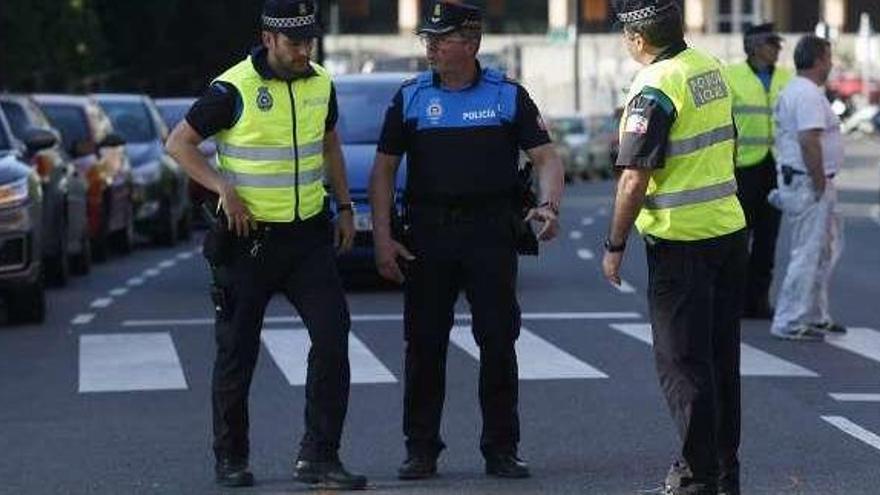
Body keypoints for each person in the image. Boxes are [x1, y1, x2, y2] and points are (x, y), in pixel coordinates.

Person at [165, 0, 366, 489]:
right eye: (295, 42)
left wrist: (344, 206)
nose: (304, 51)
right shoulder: (233, 87)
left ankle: (319, 456)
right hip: (247, 242)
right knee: (237, 353)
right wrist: (222, 188)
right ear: (269, 38)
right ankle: (231, 459)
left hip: (307, 239)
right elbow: (179, 144)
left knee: (334, 337)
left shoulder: (320, 81)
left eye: (310, 41)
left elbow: (329, 143)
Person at [368, 0, 564, 481]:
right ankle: (421, 449)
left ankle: (501, 449)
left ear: (472, 42)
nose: (431, 47)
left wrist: (550, 205)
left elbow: (546, 159)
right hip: (429, 235)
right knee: (424, 346)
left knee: (498, 342)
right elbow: (383, 172)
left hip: (490, 234)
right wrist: (382, 238)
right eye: (427, 39)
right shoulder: (410, 97)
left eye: (442, 39)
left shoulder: (507, 96)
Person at [603, 1, 747, 494]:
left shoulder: (655, 85)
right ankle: (726, 474)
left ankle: (694, 477)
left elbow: (633, 178)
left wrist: (614, 243)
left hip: (680, 240)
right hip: (727, 229)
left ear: (638, 39)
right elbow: (731, 144)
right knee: (721, 360)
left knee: (684, 367)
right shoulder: (710, 67)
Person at [769, 35, 846, 341]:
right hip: (808, 181)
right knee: (807, 253)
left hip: (803, 179)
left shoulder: (800, 90)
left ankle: (813, 314)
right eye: (828, 58)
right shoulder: (807, 95)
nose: (831, 64)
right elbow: (809, 140)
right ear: (817, 61)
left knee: (823, 252)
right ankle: (788, 319)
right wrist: (819, 183)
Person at [725, 23, 793, 319]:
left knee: (768, 238)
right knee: (740, 239)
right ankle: (736, 301)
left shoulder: (787, 78)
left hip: (775, 167)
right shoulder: (732, 77)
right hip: (742, 169)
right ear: (753, 46)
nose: (777, 49)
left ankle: (759, 301)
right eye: (771, 44)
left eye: (778, 44)